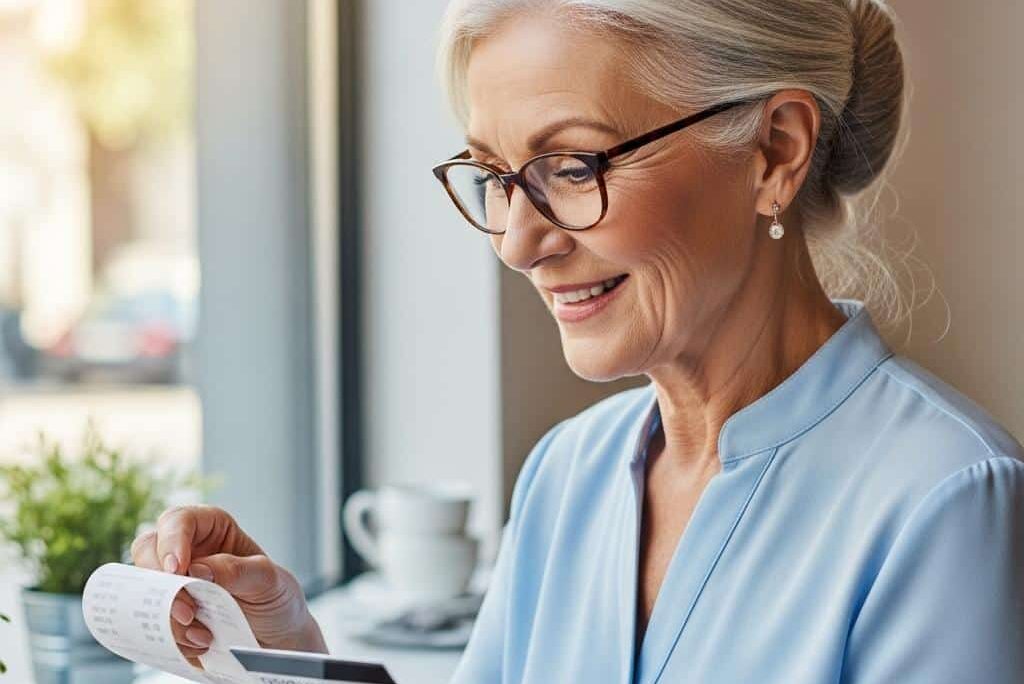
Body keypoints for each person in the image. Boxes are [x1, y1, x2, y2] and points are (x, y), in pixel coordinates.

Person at [131, 0, 1024, 681]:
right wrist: (283, 644)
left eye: (573, 166)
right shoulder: (568, 475)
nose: (519, 242)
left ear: (776, 153)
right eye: (494, 178)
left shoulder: (946, 502)